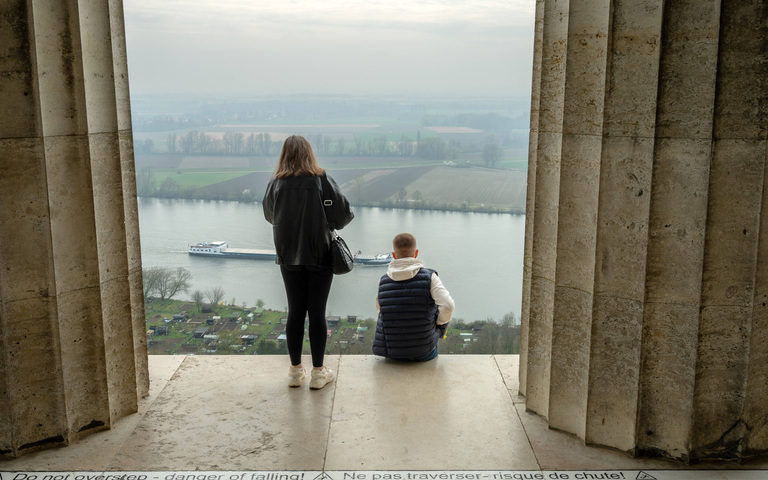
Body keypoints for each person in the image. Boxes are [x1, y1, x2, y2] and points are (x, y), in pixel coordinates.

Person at [263, 135, 354, 389]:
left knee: (295, 311)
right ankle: (318, 373)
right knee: (317, 313)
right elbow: (344, 214)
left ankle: (294, 371)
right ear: (309, 153)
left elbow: (270, 215)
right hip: (319, 254)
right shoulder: (321, 179)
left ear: (284, 154)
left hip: (288, 254)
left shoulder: (275, 182)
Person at [373, 233, 455, 361]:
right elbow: (448, 306)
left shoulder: (383, 281)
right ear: (416, 253)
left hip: (392, 353)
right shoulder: (430, 277)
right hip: (423, 352)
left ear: (394, 255)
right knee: (436, 310)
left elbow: (380, 312)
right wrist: (439, 322)